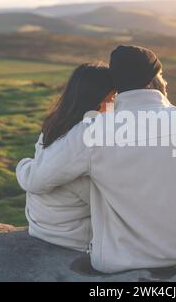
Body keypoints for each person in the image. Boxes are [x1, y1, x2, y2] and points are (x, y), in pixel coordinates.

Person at [17, 45, 176, 273]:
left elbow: (39, 178)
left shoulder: (91, 131)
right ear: (155, 81)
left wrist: (24, 165)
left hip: (127, 255)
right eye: (162, 76)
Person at [16, 62, 115, 252]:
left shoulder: (60, 123)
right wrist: (25, 165)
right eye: (114, 96)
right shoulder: (84, 134)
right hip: (71, 236)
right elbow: (35, 180)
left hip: (46, 226)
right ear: (98, 97)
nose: (116, 103)